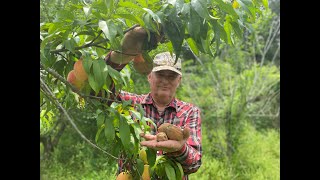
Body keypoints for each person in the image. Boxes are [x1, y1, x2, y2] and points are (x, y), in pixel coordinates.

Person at [106, 26, 202, 179]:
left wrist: (179, 148)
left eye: (171, 76)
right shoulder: (130, 104)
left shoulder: (190, 111)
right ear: (149, 76)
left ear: (179, 80)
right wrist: (120, 56)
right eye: (160, 74)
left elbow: (194, 164)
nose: (165, 80)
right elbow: (97, 93)